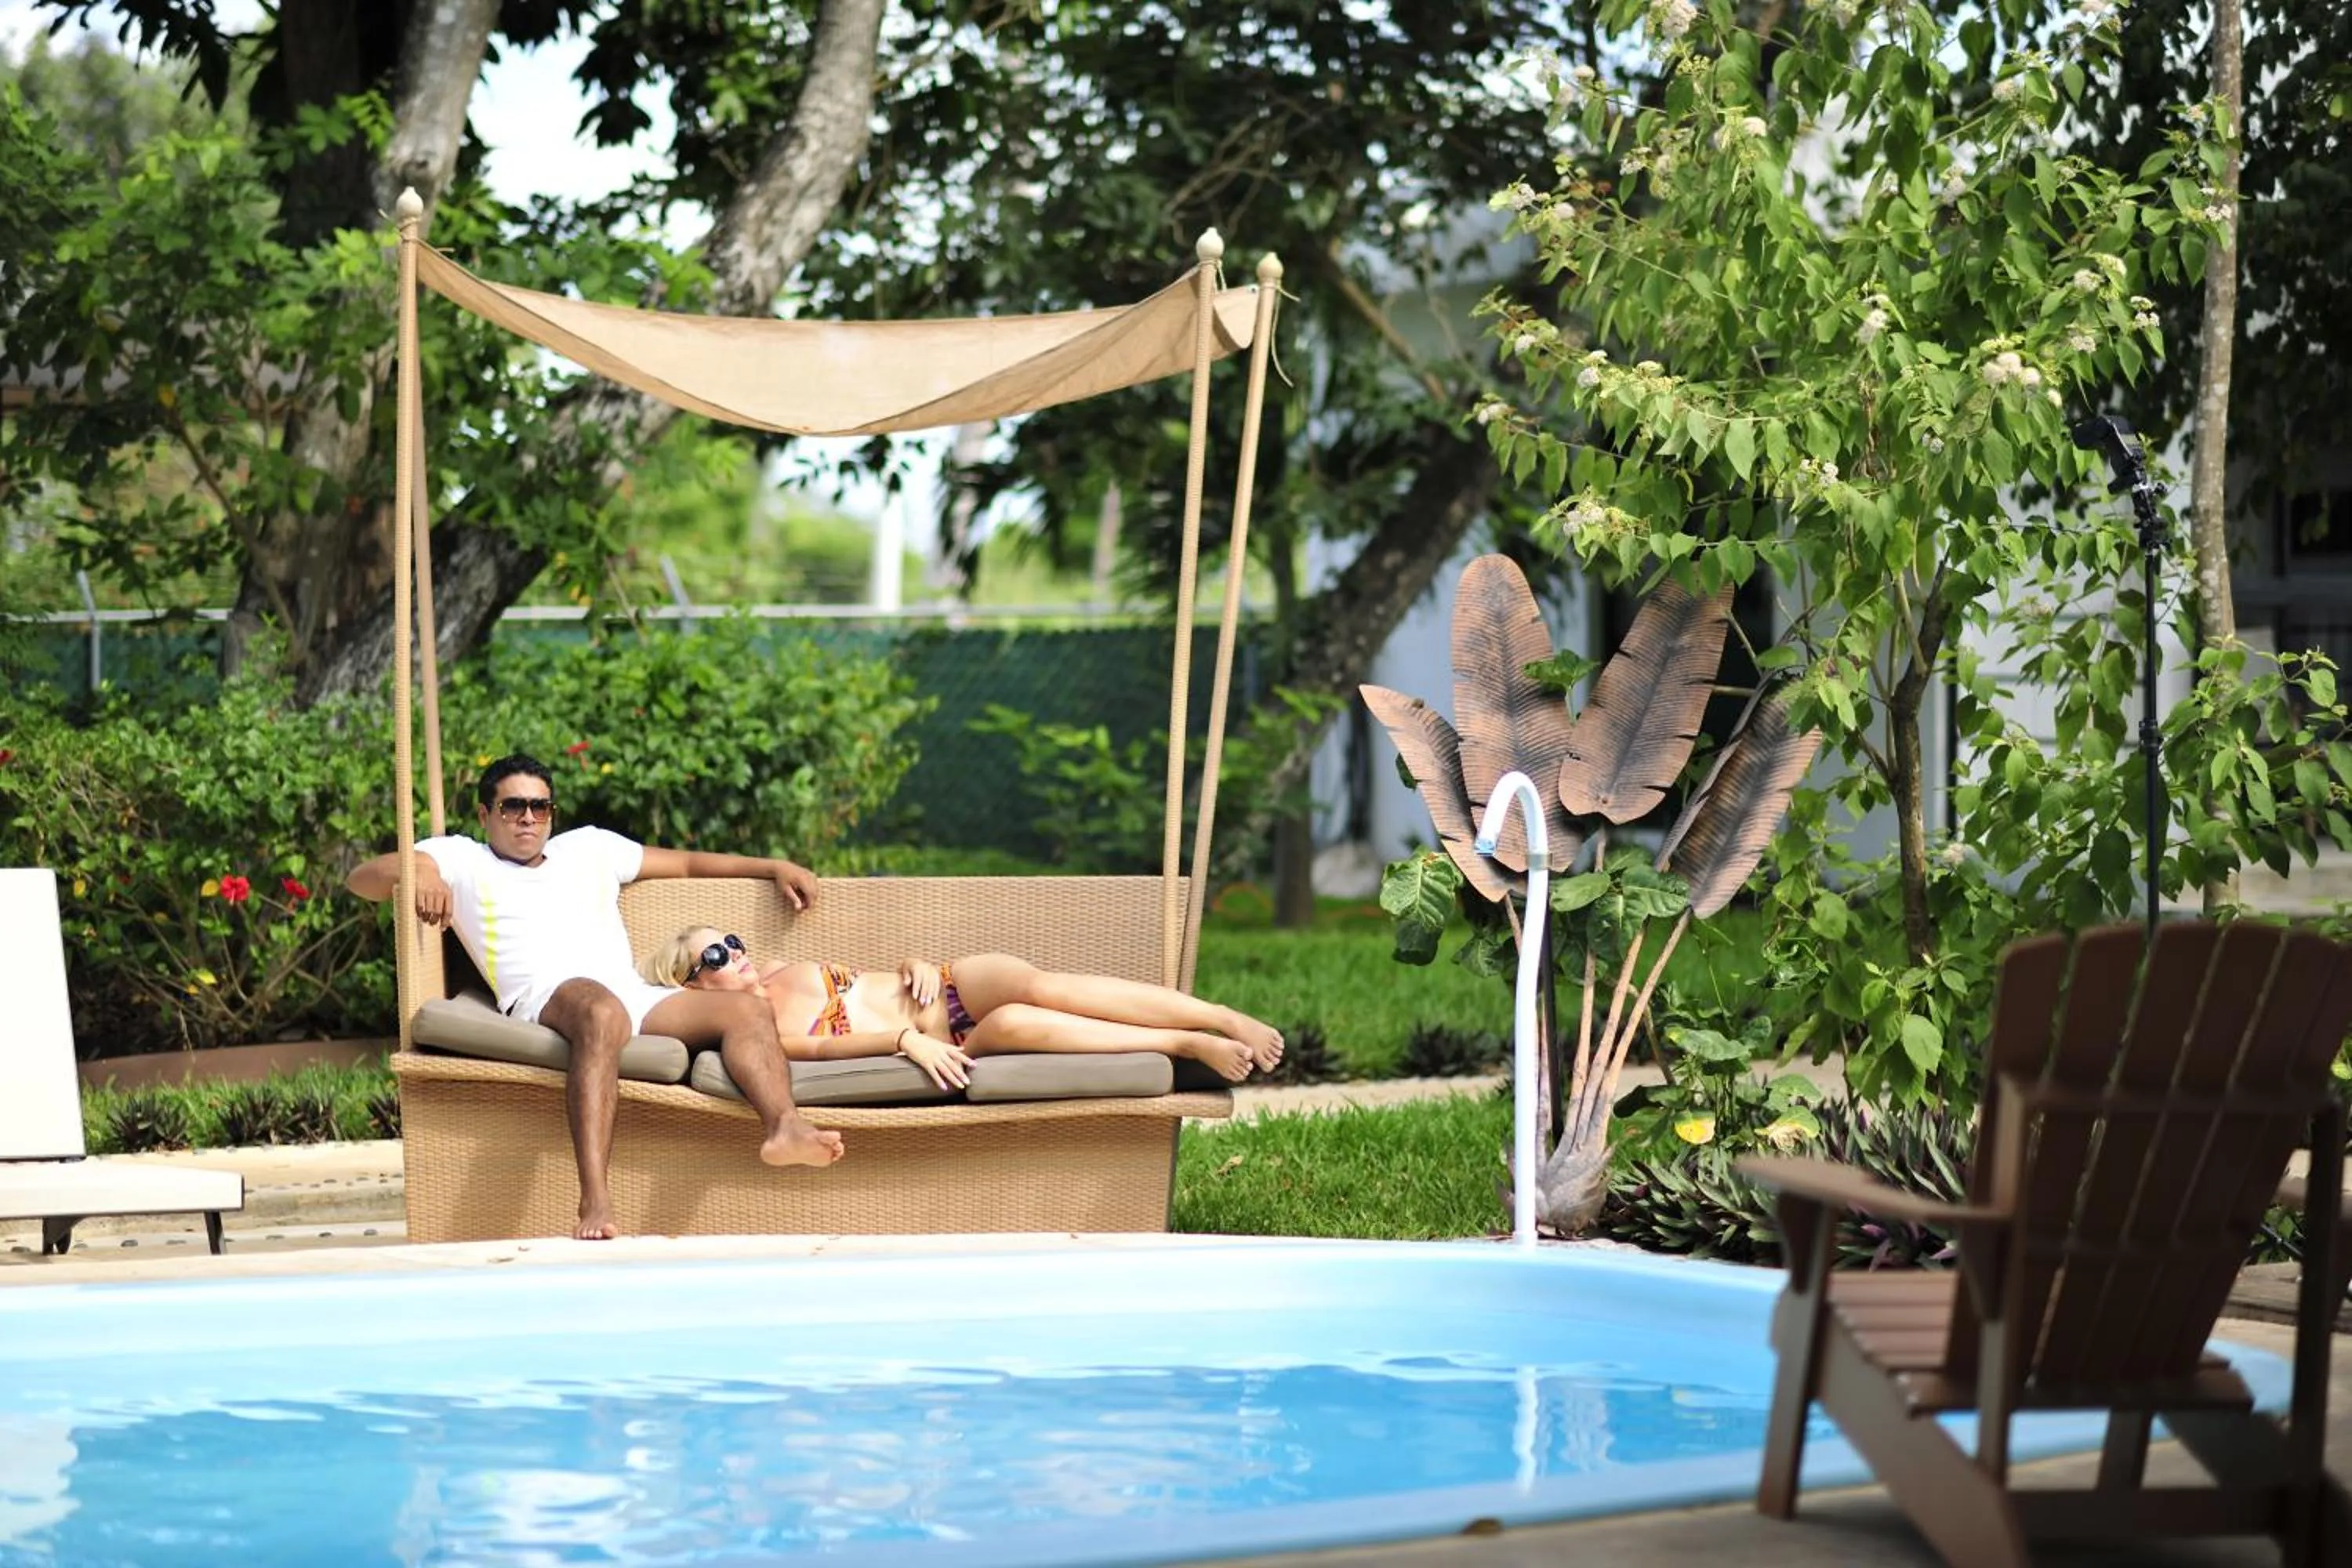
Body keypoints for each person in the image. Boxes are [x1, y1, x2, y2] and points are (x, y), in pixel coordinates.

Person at [348, 753, 844, 1241]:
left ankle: (784, 1126)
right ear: (485, 815)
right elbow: (362, 879)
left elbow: (689, 861)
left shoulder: (590, 849)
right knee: (602, 1012)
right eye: (512, 807)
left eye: (539, 807)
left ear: (552, 814)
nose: (527, 818)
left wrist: (772, 865)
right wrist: (422, 873)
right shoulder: (462, 857)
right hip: (545, 996)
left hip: (633, 994)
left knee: (748, 1007)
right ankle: (595, 1197)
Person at [639, 925, 1286, 1090]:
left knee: (1034, 984)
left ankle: (1222, 1015)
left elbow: (867, 978)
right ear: (693, 985)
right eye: (715, 957)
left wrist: (912, 963)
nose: (734, 953)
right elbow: (826, 1049)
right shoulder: (757, 1029)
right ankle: (1185, 1043)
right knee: (1010, 1023)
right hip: (951, 1046)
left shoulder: (779, 968)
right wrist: (905, 1043)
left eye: (731, 941)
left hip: (947, 987)